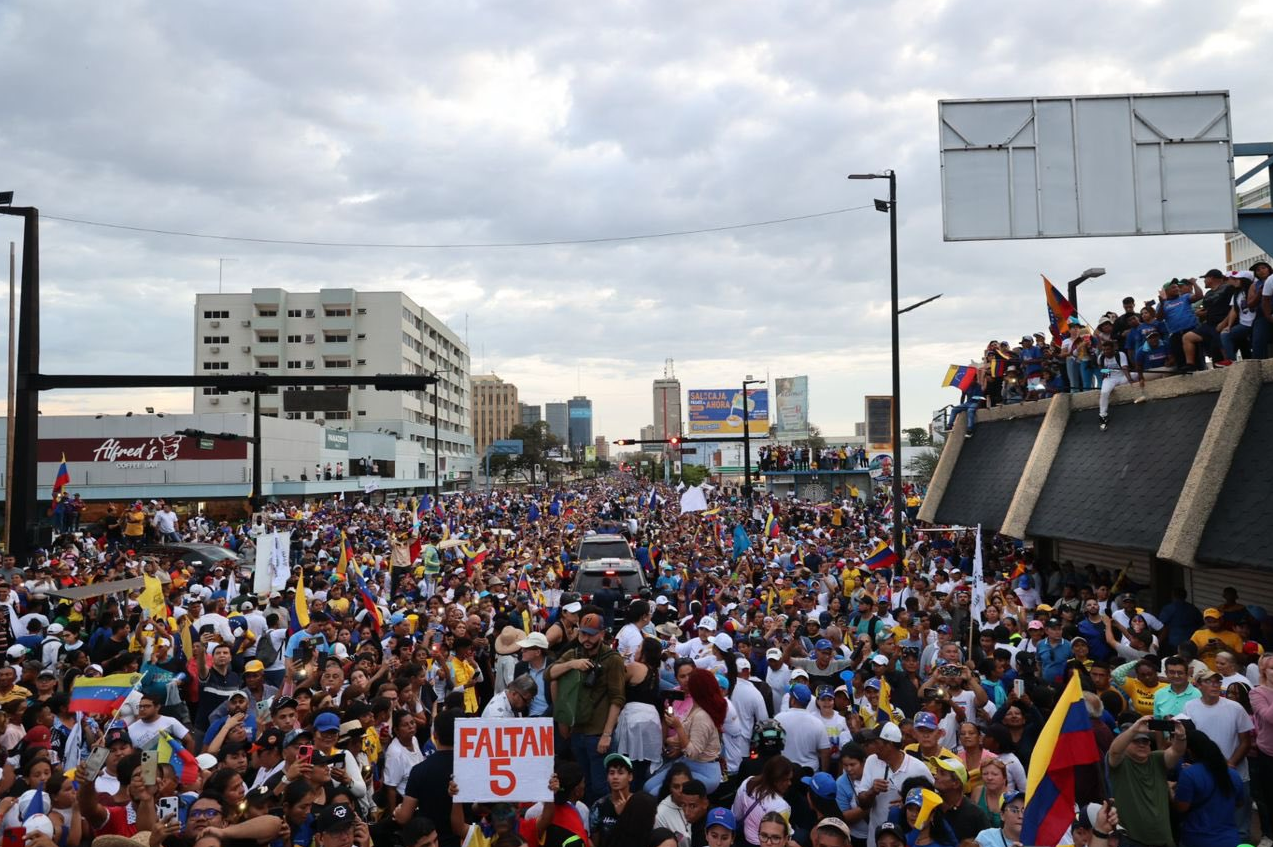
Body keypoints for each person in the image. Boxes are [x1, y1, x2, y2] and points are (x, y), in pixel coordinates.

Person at [551, 612, 627, 803]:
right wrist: (571, 664)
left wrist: (607, 734)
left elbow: (617, 699)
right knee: (582, 786)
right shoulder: (574, 654)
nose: (586, 639)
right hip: (577, 731)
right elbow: (549, 674)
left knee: (601, 787)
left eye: (591, 634)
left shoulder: (613, 659)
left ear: (601, 634)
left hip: (598, 734)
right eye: (583, 634)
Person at [1183, 668, 1255, 842]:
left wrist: (1229, 764)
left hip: (1237, 773)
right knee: (1209, 822)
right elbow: (1190, 740)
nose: (1215, 685)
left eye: (1217, 682)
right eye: (1209, 681)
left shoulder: (1235, 707)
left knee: (1241, 826)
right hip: (1205, 775)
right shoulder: (1189, 706)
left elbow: (1246, 741)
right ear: (1198, 685)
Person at [1106, 714, 1185, 847]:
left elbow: (1177, 751)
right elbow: (1114, 751)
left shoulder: (1157, 759)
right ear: (1126, 744)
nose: (1141, 745)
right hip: (1132, 841)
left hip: (1164, 840)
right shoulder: (1120, 763)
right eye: (1136, 741)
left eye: (1145, 742)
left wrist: (1181, 736)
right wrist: (1134, 730)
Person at [645, 667, 727, 795]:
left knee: (654, 793)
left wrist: (677, 727)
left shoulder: (702, 716)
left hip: (703, 770)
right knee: (648, 787)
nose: (686, 682)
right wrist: (671, 740)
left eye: (690, 680)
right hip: (689, 764)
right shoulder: (696, 706)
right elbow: (686, 739)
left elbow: (692, 753)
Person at [857, 723, 934, 847]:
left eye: (876, 742)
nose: (872, 746)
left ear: (889, 744)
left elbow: (934, 802)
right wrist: (872, 791)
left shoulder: (918, 768)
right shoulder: (871, 761)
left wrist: (909, 802)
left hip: (909, 841)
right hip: (876, 841)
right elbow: (862, 803)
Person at [1173, 728, 1245, 847]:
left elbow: (1182, 807)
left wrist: (1170, 792)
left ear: (1190, 751)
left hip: (1197, 839)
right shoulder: (1233, 774)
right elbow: (1239, 802)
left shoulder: (1189, 774)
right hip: (1229, 839)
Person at [731, 755, 794, 847]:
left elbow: (736, 814)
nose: (789, 783)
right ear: (775, 780)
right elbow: (783, 835)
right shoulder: (781, 806)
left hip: (742, 839)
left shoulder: (748, 782)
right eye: (785, 780)